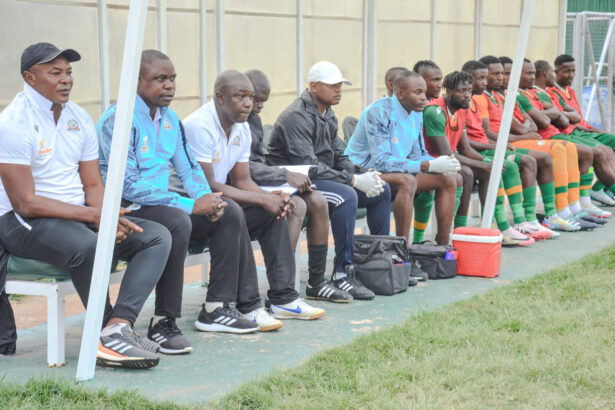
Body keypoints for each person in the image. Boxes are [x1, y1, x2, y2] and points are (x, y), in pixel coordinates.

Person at [0, 43, 173, 369]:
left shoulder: (78, 117)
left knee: (156, 236)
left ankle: (116, 327)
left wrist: (107, 216)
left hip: (76, 215)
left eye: (68, 72)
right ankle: (106, 335)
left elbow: (93, 184)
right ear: (30, 77)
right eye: (56, 73)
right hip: (21, 221)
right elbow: (24, 203)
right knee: (90, 246)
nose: (66, 80)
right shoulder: (12, 123)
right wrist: (94, 217)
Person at [98, 51, 278, 342]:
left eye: (172, 79)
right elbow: (127, 185)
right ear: (138, 80)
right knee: (179, 219)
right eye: (160, 79)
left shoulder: (171, 121)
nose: (169, 85)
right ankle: (163, 321)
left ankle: (216, 308)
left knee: (229, 210)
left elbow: (190, 169)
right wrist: (190, 204)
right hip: (125, 209)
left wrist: (208, 200)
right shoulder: (118, 120)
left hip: (160, 205)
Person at [183, 69, 326, 319]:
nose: (249, 104)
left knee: (274, 212)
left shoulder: (242, 128)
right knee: (236, 211)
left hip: (218, 204)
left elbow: (243, 180)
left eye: (251, 97)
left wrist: (272, 200)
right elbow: (207, 185)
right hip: (188, 208)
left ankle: (284, 298)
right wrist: (263, 198)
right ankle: (249, 306)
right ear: (220, 98)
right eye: (241, 96)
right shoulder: (199, 125)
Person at [267, 61, 392, 301]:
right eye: (332, 86)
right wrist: (353, 180)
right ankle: (342, 274)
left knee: (382, 189)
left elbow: (337, 153)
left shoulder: (328, 113)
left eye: (340, 85)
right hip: (295, 183)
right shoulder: (296, 116)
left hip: (321, 177)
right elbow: (310, 167)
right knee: (347, 196)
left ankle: (376, 263)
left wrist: (362, 173)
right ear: (314, 87)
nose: (338, 90)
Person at [244, 69, 350, 303]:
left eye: (263, 100)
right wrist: (283, 174)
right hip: (258, 183)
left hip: (276, 178)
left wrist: (355, 173)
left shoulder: (253, 119)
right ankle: (282, 289)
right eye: (254, 99)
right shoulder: (294, 115)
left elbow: (257, 161)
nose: (259, 105)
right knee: (303, 204)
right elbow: (243, 169)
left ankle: (316, 283)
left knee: (318, 201)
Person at [345, 69, 459, 244]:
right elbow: (382, 162)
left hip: (394, 171)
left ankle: (442, 246)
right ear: (400, 94)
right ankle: (401, 250)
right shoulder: (378, 112)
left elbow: (417, 154)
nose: (424, 97)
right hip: (364, 174)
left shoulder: (416, 113)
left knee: (450, 179)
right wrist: (429, 165)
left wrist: (442, 163)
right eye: (418, 92)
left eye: (424, 92)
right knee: (407, 181)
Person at [422, 71, 534, 246]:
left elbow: (465, 149)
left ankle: (489, 227)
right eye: (461, 91)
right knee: (466, 173)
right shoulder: (435, 111)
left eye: (469, 90)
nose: (467, 95)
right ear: (449, 91)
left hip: (450, 161)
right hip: (429, 161)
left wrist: (488, 164)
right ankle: (454, 233)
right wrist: (484, 165)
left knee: (488, 171)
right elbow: (446, 155)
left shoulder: (461, 110)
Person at [479, 55, 574, 233]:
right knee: (545, 155)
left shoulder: (501, 96)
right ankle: (520, 221)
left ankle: (550, 214)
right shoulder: (483, 98)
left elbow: (527, 121)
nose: (503, 78)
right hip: (500, 144)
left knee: (554, 154)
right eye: (499, 74)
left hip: (512, 140)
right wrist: (522, 133)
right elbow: (489, 132)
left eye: (505, 74)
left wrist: (523, 129)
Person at [462, 60, 553, 240]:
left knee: (532, 160)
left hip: (489, 147)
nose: (488, 81)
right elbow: (472, 139)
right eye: (484, 77)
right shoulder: (468, 101)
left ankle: (526, 219)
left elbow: (528, 123)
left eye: (501, 74)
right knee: (504, 167)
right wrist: (497, 144)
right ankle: (498, 225)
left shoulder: (481, 98)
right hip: (482, 150)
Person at [515, 59, 609, 230]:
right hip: (546, 137)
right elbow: (543, 122)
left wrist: (552, 114)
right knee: (584, 152)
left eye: (533, 73)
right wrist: (553, 114)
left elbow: (567, 118)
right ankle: (561, 209)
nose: (532, 77)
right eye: (528, 73)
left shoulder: (538, 94)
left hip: (560, 133)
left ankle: (578, 202)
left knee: (594, 152)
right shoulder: (518, 95)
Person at [549, 54, 615, 207]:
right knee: (602, 151)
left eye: (573, 71)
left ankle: (599, 188)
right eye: (567, 71)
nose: (571, 75)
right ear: (556, 72)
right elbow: (567, 122)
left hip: (583, 130)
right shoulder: (551, 93)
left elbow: (577, 117)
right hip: (572, 133)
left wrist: (592, 129)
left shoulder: (570, 91)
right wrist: (586, 129)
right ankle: (599, 190)